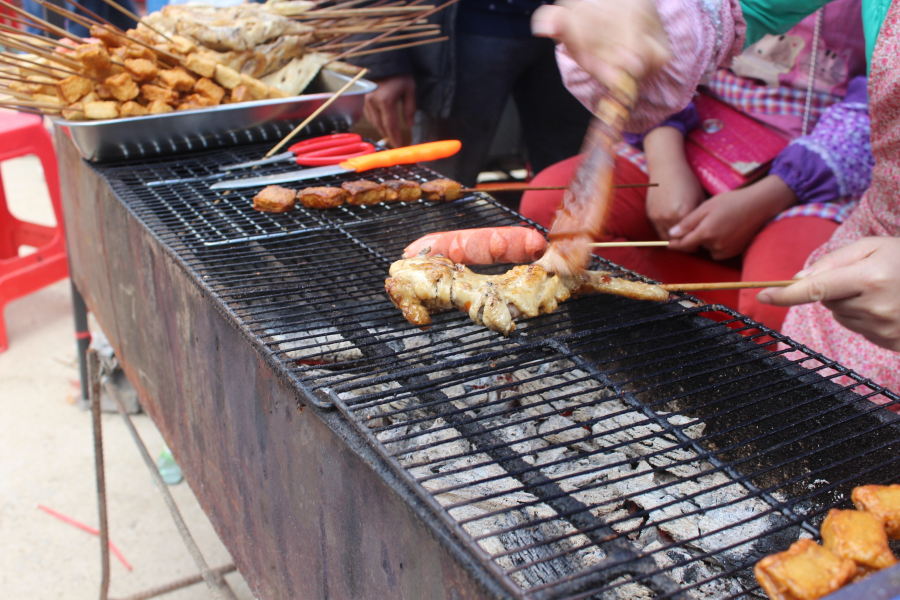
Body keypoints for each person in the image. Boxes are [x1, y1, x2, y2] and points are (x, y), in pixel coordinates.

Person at [529, 0, 900, 391]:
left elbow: (867, 111)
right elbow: (725, 10)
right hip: (698, 127)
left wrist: (772, 193)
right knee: (546, 204)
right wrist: (653, 29)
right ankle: (666, 344)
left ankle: (729, 368)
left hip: (819, 166)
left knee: (782, 297)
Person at [349, 0, 592, 186]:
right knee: (442, 184)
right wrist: (379, 56)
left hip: (574, 30)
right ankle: (428, 250)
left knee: (567, 182)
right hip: (458, 33)